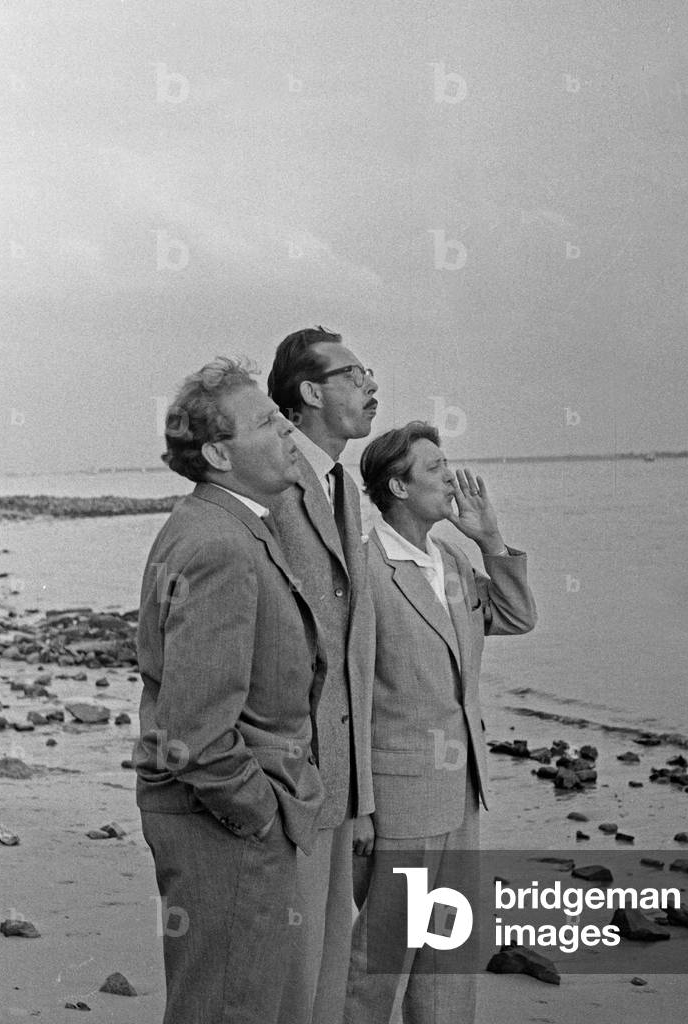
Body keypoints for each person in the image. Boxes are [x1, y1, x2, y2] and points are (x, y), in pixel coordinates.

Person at [134, 357, 326, 1024]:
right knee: (231, 1007)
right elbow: (194, 730)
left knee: (230, 1000)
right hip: (225, 825)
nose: (287, 434)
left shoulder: (225, 526)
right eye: (268, 422)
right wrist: (259, 814)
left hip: (223, 818)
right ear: (218, 451)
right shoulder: (222, 544)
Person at [344, 421, 537, 1024]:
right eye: (434, 469)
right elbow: (348, 690)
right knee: (383, 956)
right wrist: (361, 804)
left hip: (461, 789)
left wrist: (490, 539)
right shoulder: (365, 568)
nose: (451, 479)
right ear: (397, 487)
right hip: (398, 794)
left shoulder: (450, 558)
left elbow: (516, 617)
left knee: (448, 950)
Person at [266, 326, 378, 1024]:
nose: (372, 385)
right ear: (310, 392)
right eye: (355, 373)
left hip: (337, 779)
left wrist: (360, 789)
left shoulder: (344, 488)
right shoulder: (275, 482)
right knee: (290, 979)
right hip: (290, 779)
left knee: (328, 977)